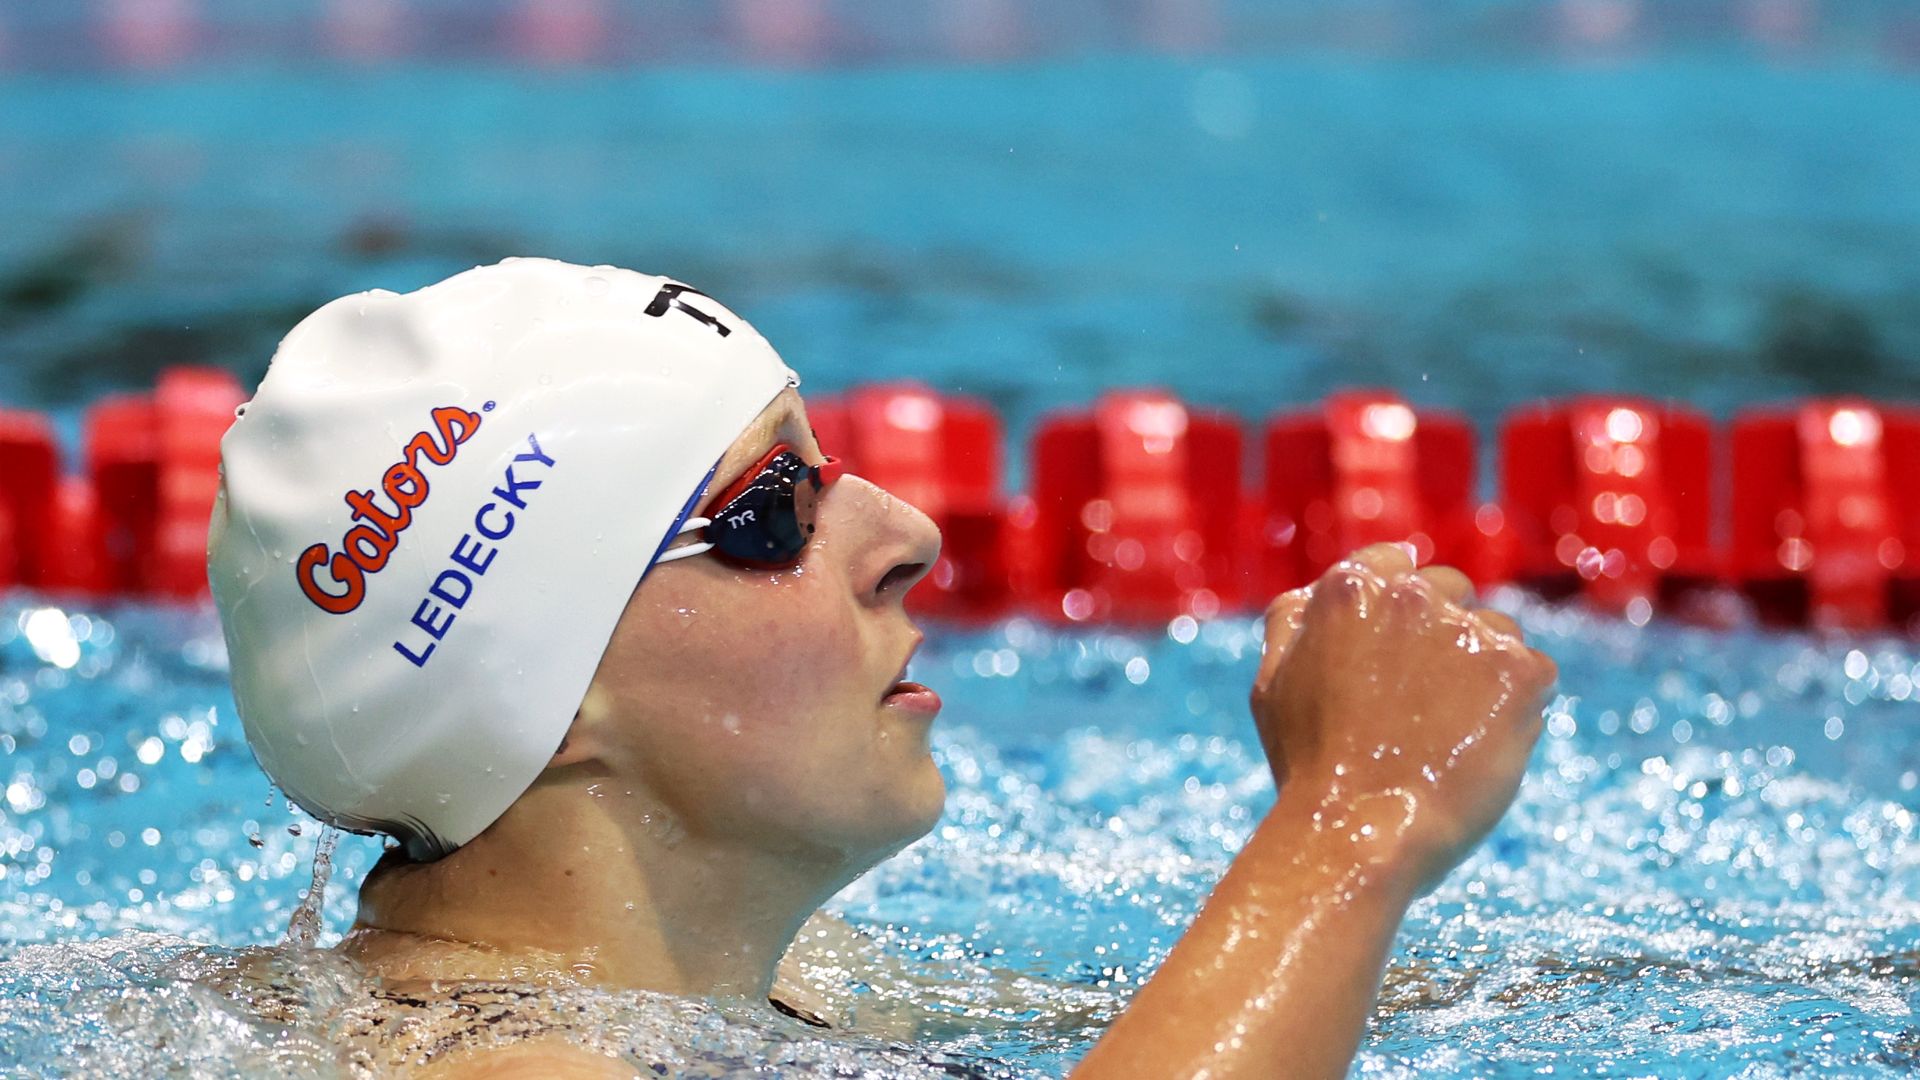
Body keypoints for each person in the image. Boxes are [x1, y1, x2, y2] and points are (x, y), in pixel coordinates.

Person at [208, 258, 1557, 1078]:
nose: (906, 534)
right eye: (771, 516)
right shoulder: (499, 1069)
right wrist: (1353, 829)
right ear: (540, 696)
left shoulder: (775, 995)